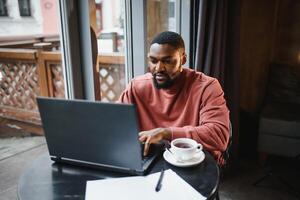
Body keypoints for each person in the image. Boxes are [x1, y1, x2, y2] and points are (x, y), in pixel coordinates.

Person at [119, 31, 230, 165]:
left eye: (167, 61)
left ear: (183, 59)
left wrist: (166, 133)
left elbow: (219, 135)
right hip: (152, 159)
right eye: (153, 61)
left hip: (195, 161)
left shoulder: (207, 87)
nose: (158, 68)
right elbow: (116, 125)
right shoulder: (136, 87)